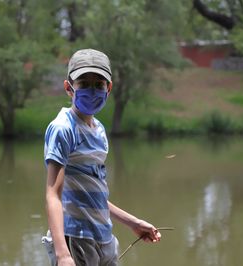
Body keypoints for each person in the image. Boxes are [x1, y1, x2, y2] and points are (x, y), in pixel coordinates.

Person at [43, 48, 161, 266]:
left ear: (109, 88)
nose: (92, 90)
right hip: (76, 238)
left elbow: (91, 195)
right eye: (84, 84)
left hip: (103, 235)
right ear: (69, 88)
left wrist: (132, 222)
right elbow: (53, 195)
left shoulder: (98, 131)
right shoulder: (63, 128)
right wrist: (62, 254)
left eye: (99, 84)